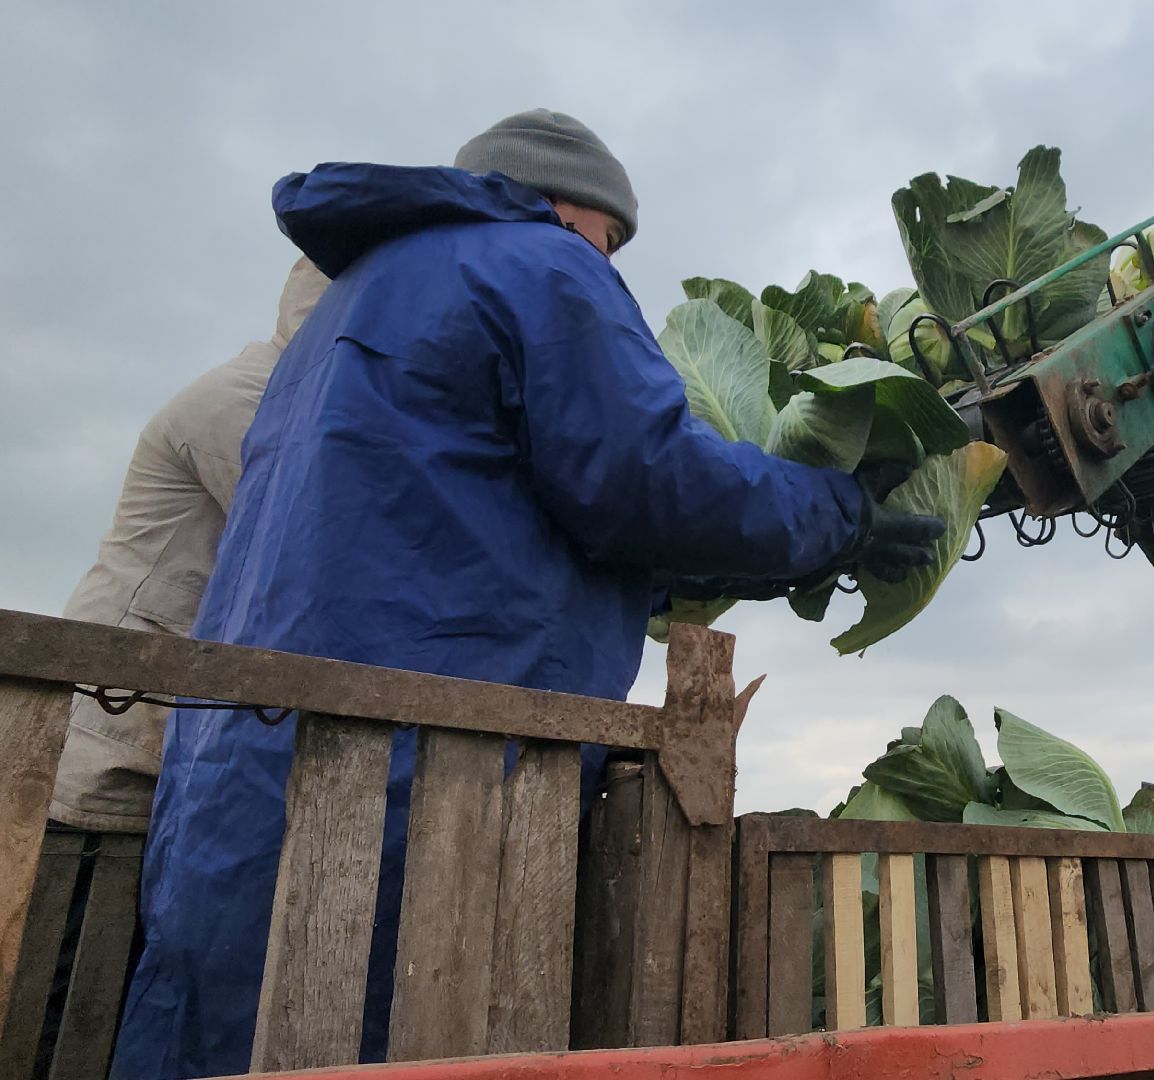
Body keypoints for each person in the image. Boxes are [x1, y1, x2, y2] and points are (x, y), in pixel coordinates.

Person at [111, 110, 944, 1080]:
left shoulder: (346, 309)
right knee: (404, 1033)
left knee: (224, 1031)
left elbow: (487, 512)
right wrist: (840, 516)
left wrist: (752, 559)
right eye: (613, 237)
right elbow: (646, 482)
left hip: (239, 771)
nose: (613, 258)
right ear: (568, 209)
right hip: (421, 765)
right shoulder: (542, 266)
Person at [51, 257, 330, 832]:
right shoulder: (252, 402)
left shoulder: (292, 396)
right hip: (113, 736)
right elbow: (321, 544)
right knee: (72, 903)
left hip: (158, 731)